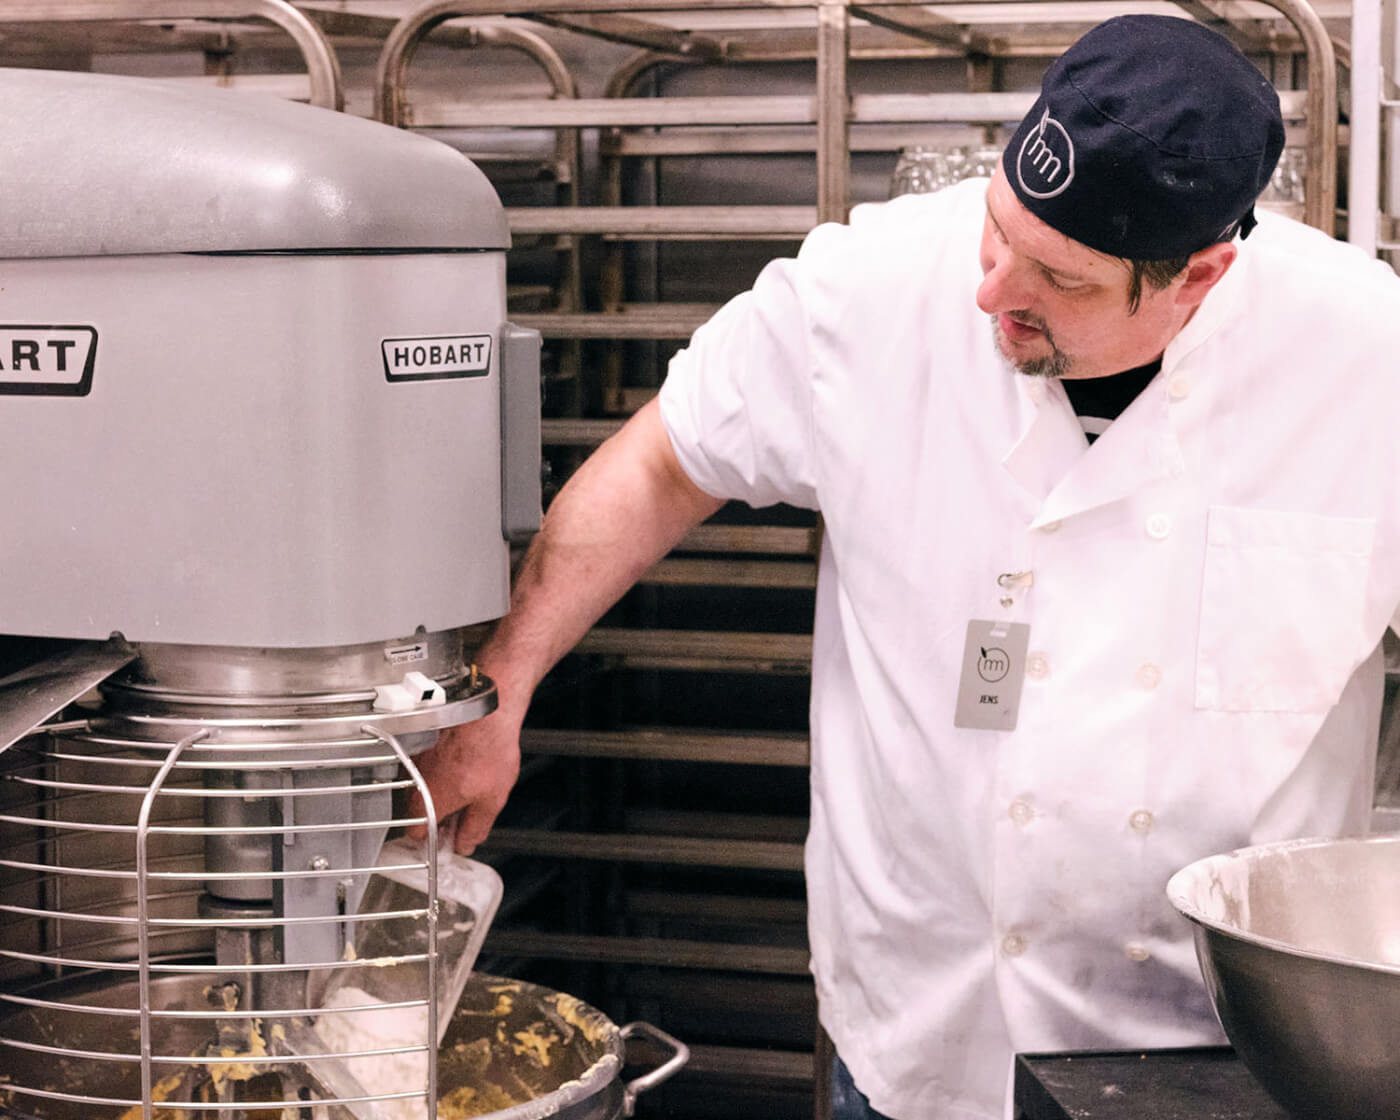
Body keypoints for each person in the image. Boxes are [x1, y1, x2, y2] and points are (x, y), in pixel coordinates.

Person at [409, 14, 1400, 1119]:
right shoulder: (869, 288)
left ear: (1199, 275)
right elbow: (663, 460)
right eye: (996, 232)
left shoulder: (1366, 361)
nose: (991, 293)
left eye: (1058, 282)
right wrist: (502, 687)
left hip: (1207, 1057)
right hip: (916, 1031)